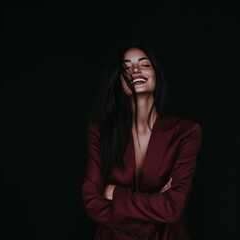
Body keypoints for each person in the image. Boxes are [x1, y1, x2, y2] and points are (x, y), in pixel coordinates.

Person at [82, 41, 202, 240]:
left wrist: (115, 194)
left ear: (156, 74)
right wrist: (148, 217)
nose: (135, 70)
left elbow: (173, 207)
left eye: (144, 64)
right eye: (126, 68)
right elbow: (92, 202)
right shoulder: (99, 131)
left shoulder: (186, 132)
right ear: (119, 80)